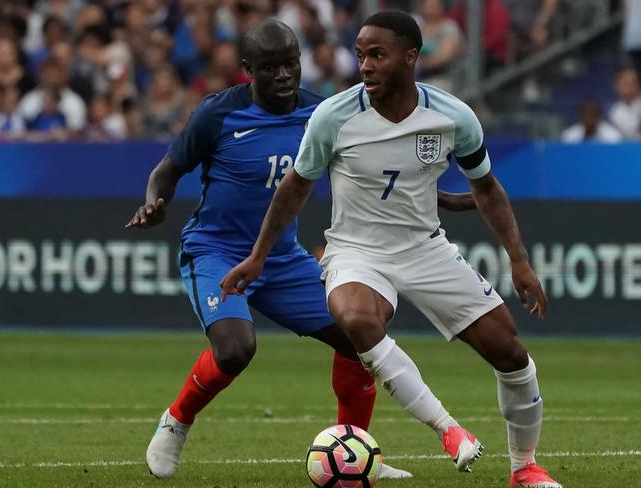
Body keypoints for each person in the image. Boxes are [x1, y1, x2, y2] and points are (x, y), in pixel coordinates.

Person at [221, 11, 563, 488]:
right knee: (357, 319)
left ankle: (525, 468)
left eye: (377, 55)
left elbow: (487, 188)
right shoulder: (333, 117)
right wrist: (258, 255)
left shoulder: (452, 117)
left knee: (511, 354)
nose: (365, 65)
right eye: (360, 55)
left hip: (426, 250)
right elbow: (295, 187)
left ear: (410, 57)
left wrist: (519, 260)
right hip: (355, 252)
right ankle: (449, 430)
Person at [126, 18, 474, 481]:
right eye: (270, 67)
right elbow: (166, 171)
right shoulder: (218, 114)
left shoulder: (323, 113)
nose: (285, 75)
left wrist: (445, 198)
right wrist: (155, 203)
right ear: (248, 69)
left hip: (283, 258)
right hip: (216, 252)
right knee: (235, 350)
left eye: (291, 63)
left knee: (358, 339)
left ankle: (353, 449)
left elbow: (374, 172)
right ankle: (176, 422)